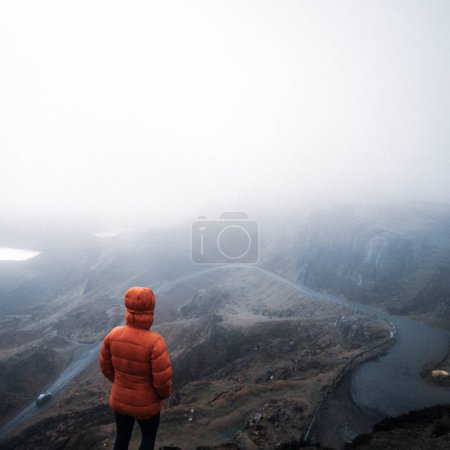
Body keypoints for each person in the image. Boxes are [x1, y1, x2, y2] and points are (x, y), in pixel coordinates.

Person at [99, 286, 172, 450]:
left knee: (122, 438)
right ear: (150, 309)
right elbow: (162, 381)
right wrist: (163, 396)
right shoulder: (155, 342)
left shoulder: (113, 334)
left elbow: (105, 366)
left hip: (120, 399)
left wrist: (119, 382)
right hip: (147, 404)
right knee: (148, 439)